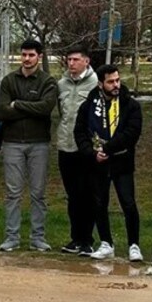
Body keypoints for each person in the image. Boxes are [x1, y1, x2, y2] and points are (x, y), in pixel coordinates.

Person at [73, 64, 143, 262]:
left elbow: (132, 133)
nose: (115, 85)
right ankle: (106, 242)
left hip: (122, 162)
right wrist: (91, 153)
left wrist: (108, 148)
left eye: (117, 80)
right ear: (101, 83)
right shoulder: (89, 105)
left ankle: (134, 245)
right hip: (97, 163)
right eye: (110, 81)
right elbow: (80, 132)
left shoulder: (130, 104)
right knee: (99, 203)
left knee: (128, 203)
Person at [0, 39, 58, 252]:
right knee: (13, 193)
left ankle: (37, 237)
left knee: (38, 193)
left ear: (38, 57)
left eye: (31, 55)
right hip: (13, 143)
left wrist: (18, 104)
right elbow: (2, 110)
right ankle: (11, 237)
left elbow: (46, 108)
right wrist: (29, 107)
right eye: (24, 55)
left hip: (39, 143)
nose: (27, 59)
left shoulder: (47, 81)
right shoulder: (9, 80)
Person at [56, 46, 98, 255]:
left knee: (87, 195)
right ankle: (75, 238)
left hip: (86, 148)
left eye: (75, 60)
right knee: (73, 195)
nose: (71, 63)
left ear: (86, 61)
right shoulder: (62, 84)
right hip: (66, 145)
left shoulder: (95, 84)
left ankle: (87, 240)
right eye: (69, 59)